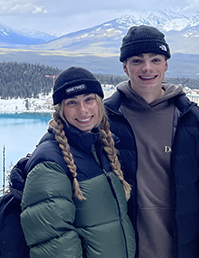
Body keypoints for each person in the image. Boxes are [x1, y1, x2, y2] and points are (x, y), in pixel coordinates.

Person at [104, 25, 199, 258]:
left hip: (184, 249)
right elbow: (64, 145)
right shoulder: (106, 119)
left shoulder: (191, 119)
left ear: (165, 65)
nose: (147, 68)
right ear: (125, 67)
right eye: (137, 61)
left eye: (155, 59)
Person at [20, 67, 136, 258]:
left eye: (89, 99)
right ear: (60, 110)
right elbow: (54, 245)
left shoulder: (101, 147)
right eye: (72, 102)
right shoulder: (51, 163)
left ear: (99, 103)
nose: (83, 110)